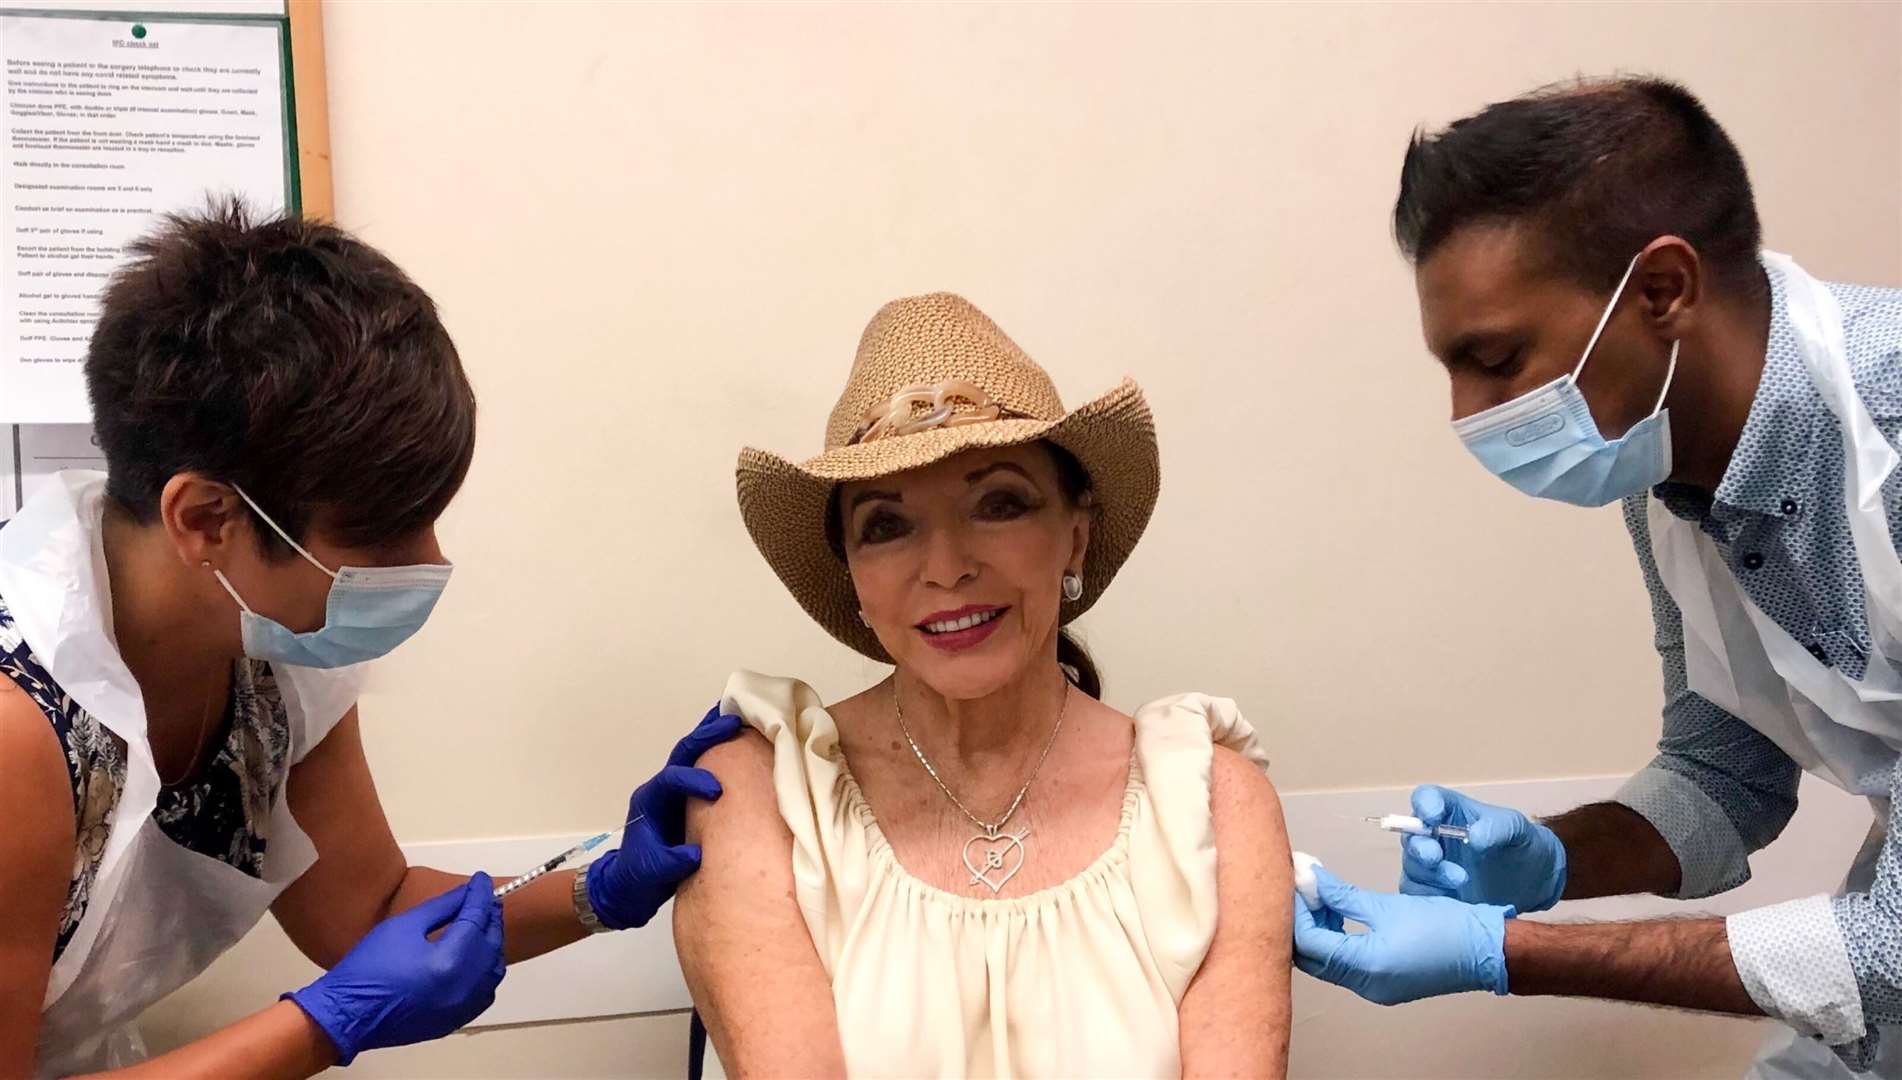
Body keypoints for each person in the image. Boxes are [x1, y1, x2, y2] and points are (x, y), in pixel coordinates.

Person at [0, 203, 738, 1077]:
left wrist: (603, 887)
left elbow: (370, 907)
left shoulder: (265, 659)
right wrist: (324, 1025)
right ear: (206, 519)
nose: (428, 562)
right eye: (386, 534)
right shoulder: (20, 726)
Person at [1291, 76, 1902, 1077]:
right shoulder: (1665, 469)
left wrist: (1503, 955)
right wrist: (1547, 856)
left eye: (1495, 359)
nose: (1468, 414)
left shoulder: (1889, 435)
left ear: (1663, 290)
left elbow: (1888, 948)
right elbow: (1724, 774)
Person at [672, 293, 1293, 1076]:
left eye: (998, 504)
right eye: (887, 525)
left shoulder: (1209, 804)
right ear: (853, 577)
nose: (946, 566)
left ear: (1076, 534)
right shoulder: (765, 797)